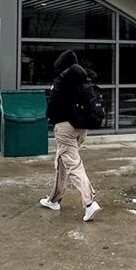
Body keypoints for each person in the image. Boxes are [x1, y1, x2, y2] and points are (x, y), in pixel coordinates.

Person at [39, 49, 102, 222]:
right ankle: (54, 200)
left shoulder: (62, 81)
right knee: (62, 162)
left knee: (73, 166)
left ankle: (89, 203)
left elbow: (52, 106)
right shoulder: (83, 79)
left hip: (64, 128)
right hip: (81, 127)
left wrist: (49, 116)